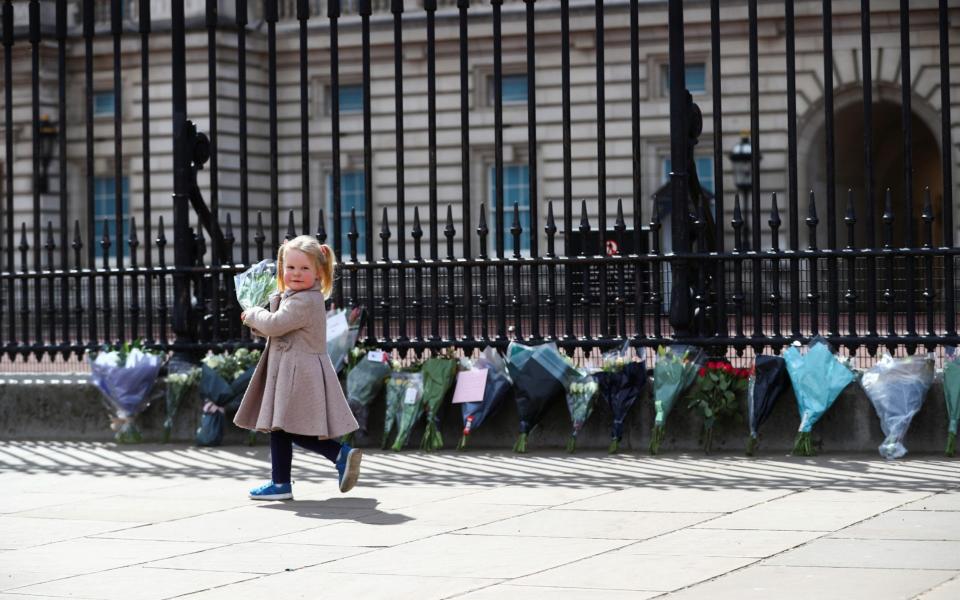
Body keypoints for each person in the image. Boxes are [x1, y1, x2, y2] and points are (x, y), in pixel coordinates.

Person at [234, 235, 361, 501]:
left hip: (297, 371)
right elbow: (280, 330)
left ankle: (338, 453)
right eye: (290, 268)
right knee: (279, 427)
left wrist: (254, 314)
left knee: (287, 427)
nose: (296, 273)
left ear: (318, 272)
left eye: (304, 268)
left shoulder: (305, 300)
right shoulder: (296, 297)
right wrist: (262, 315)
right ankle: (280, 483)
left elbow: (276, 325)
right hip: (291, 368)